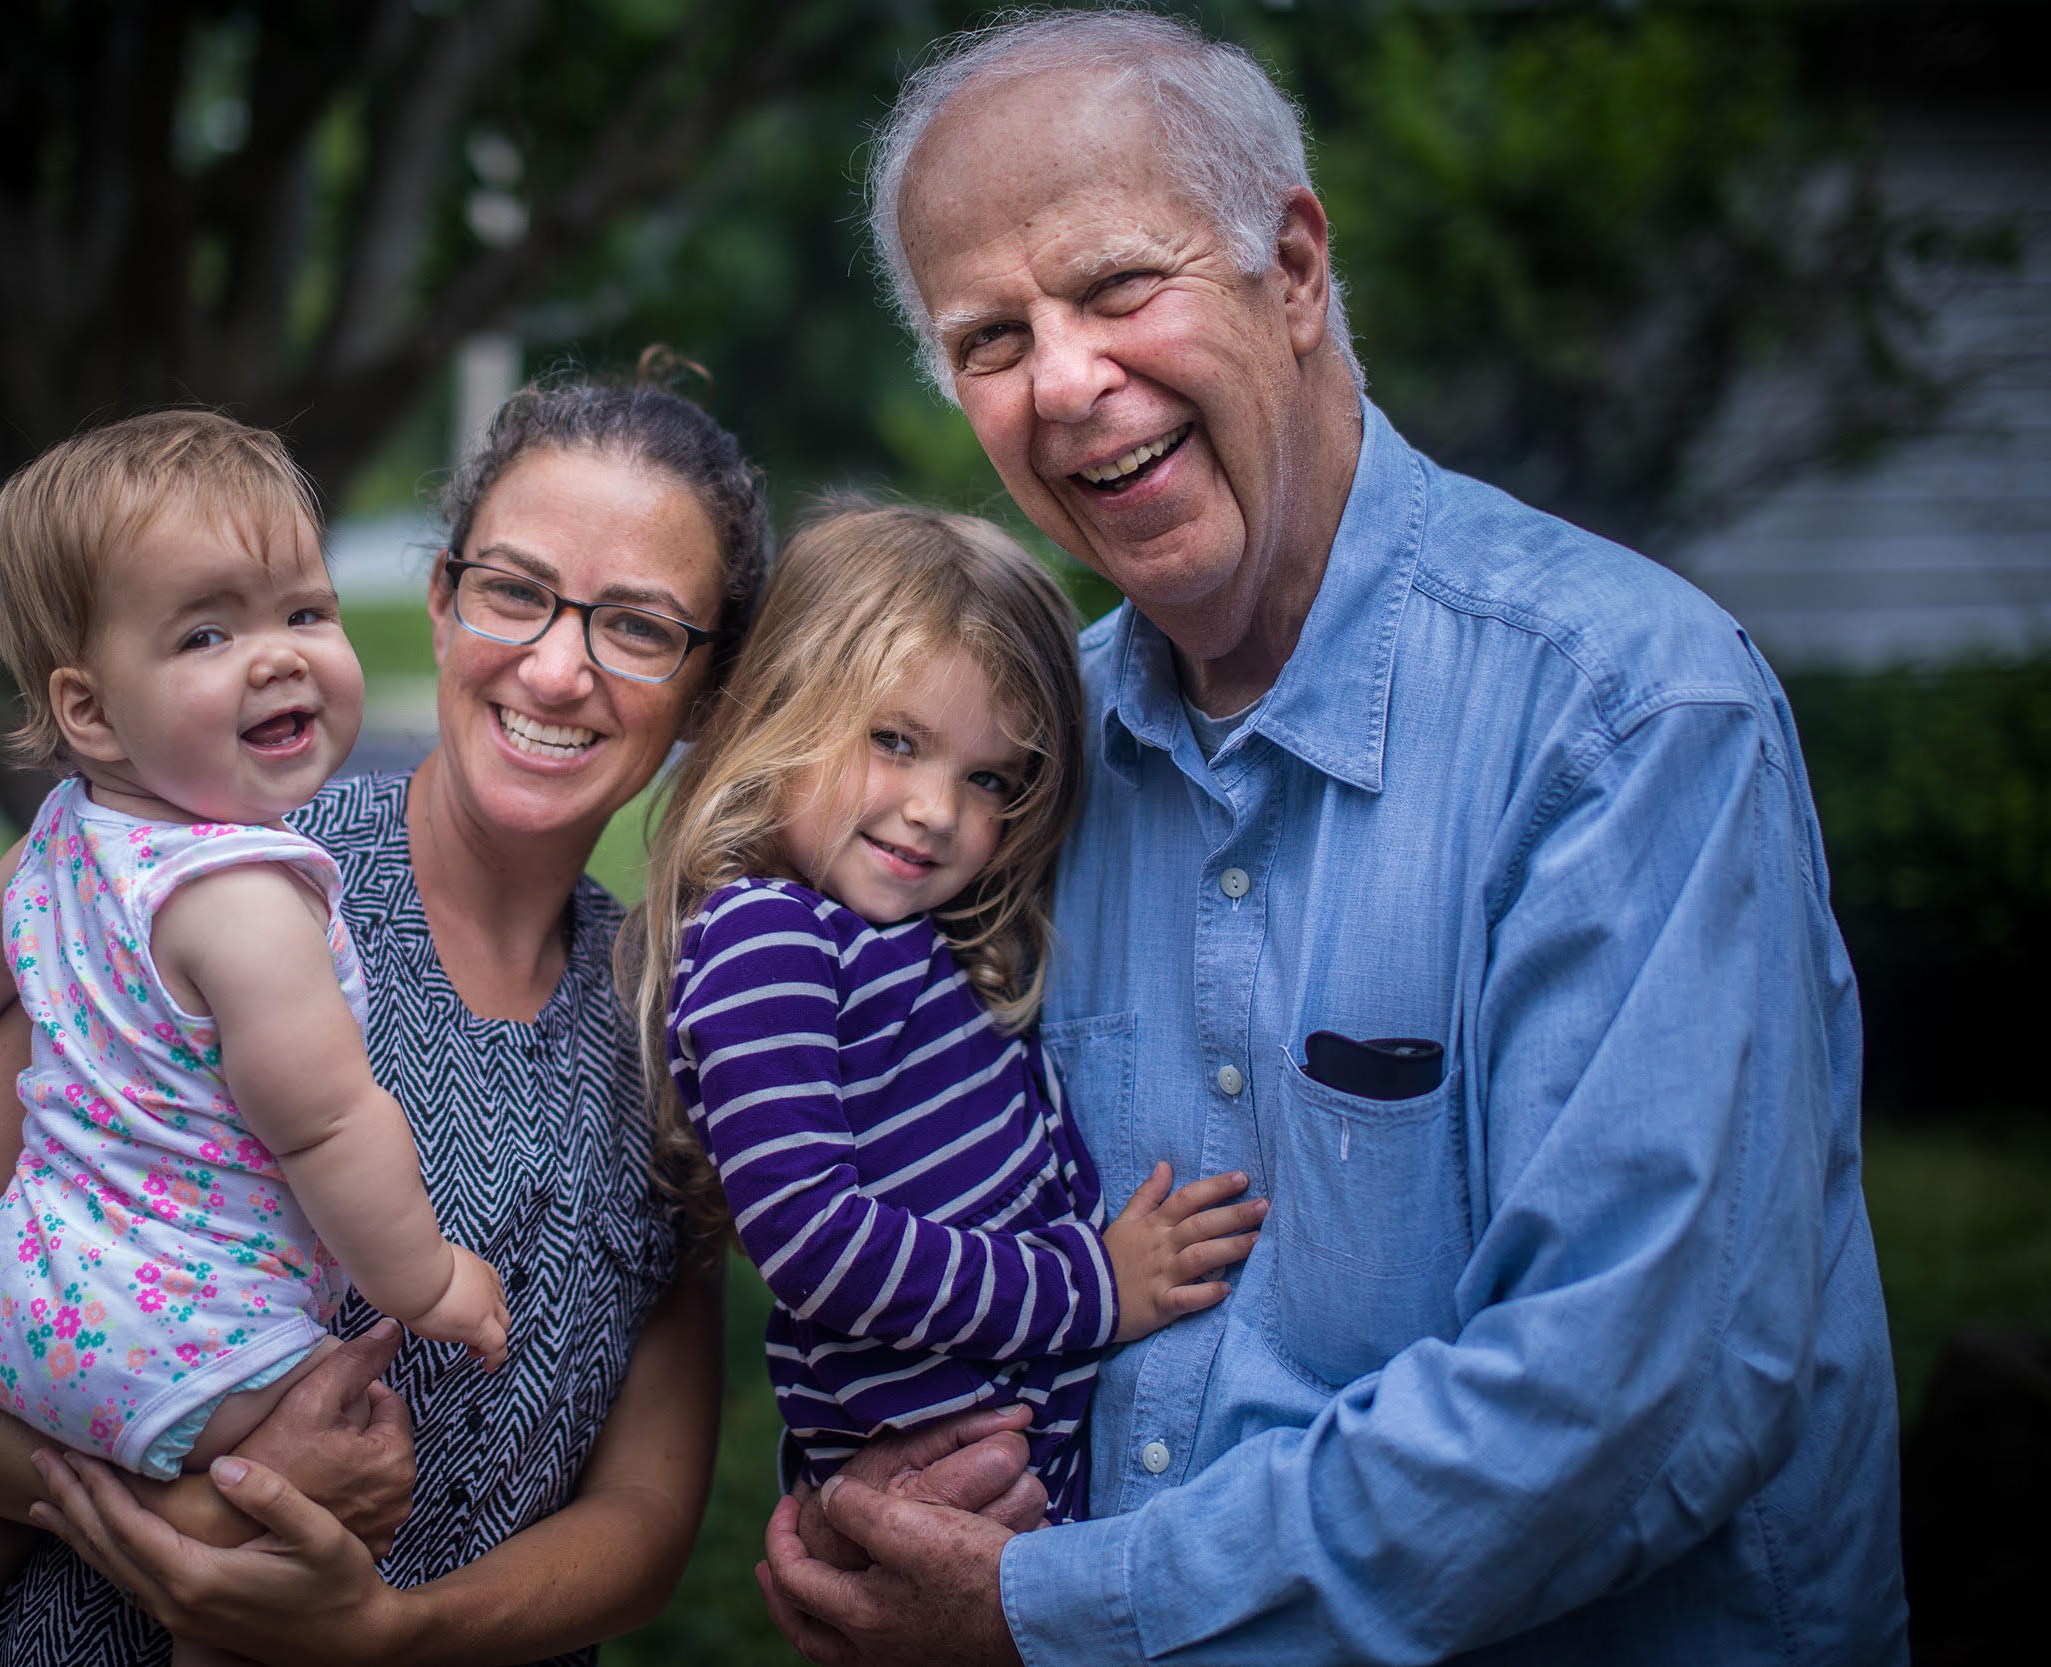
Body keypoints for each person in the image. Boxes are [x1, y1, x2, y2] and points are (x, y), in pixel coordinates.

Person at [756, 12, 1907, 1664]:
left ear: (1292, 269)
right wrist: (895, 1495)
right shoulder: (1023, 772)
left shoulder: (1629, 714)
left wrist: (1053, 1609)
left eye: (1115, 285)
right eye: (991, 337)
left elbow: (1629, 1396)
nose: (1063, 380)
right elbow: (931, 1208)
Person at [0, 363, 1041, 1667]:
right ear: (445, 600)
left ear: (711, 689)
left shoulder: (680, 1019)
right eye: (515, 590)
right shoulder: (218, 881)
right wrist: (190, 1517)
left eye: (637, 626)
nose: (556, 668)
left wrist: (388, 1630)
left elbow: (642, 1513)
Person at [0, 411, 513, 1667]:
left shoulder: (60, 836)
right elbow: (327, 1123)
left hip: (20, 1288)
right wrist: (426, 1280)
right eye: (208, 633)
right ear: (91, 710)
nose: (277, 657)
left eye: (304, 611)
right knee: (281, 1525)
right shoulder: (243, 899)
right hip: (187, 1338)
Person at [632, 504, 1267, 1522]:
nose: (938, 810)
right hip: (947, 1479)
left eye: (987, 779)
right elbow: (818, 1244)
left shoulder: (897, 932)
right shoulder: (766, 938)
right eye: (895, 740)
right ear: (784, 705)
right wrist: (1092, 1288)